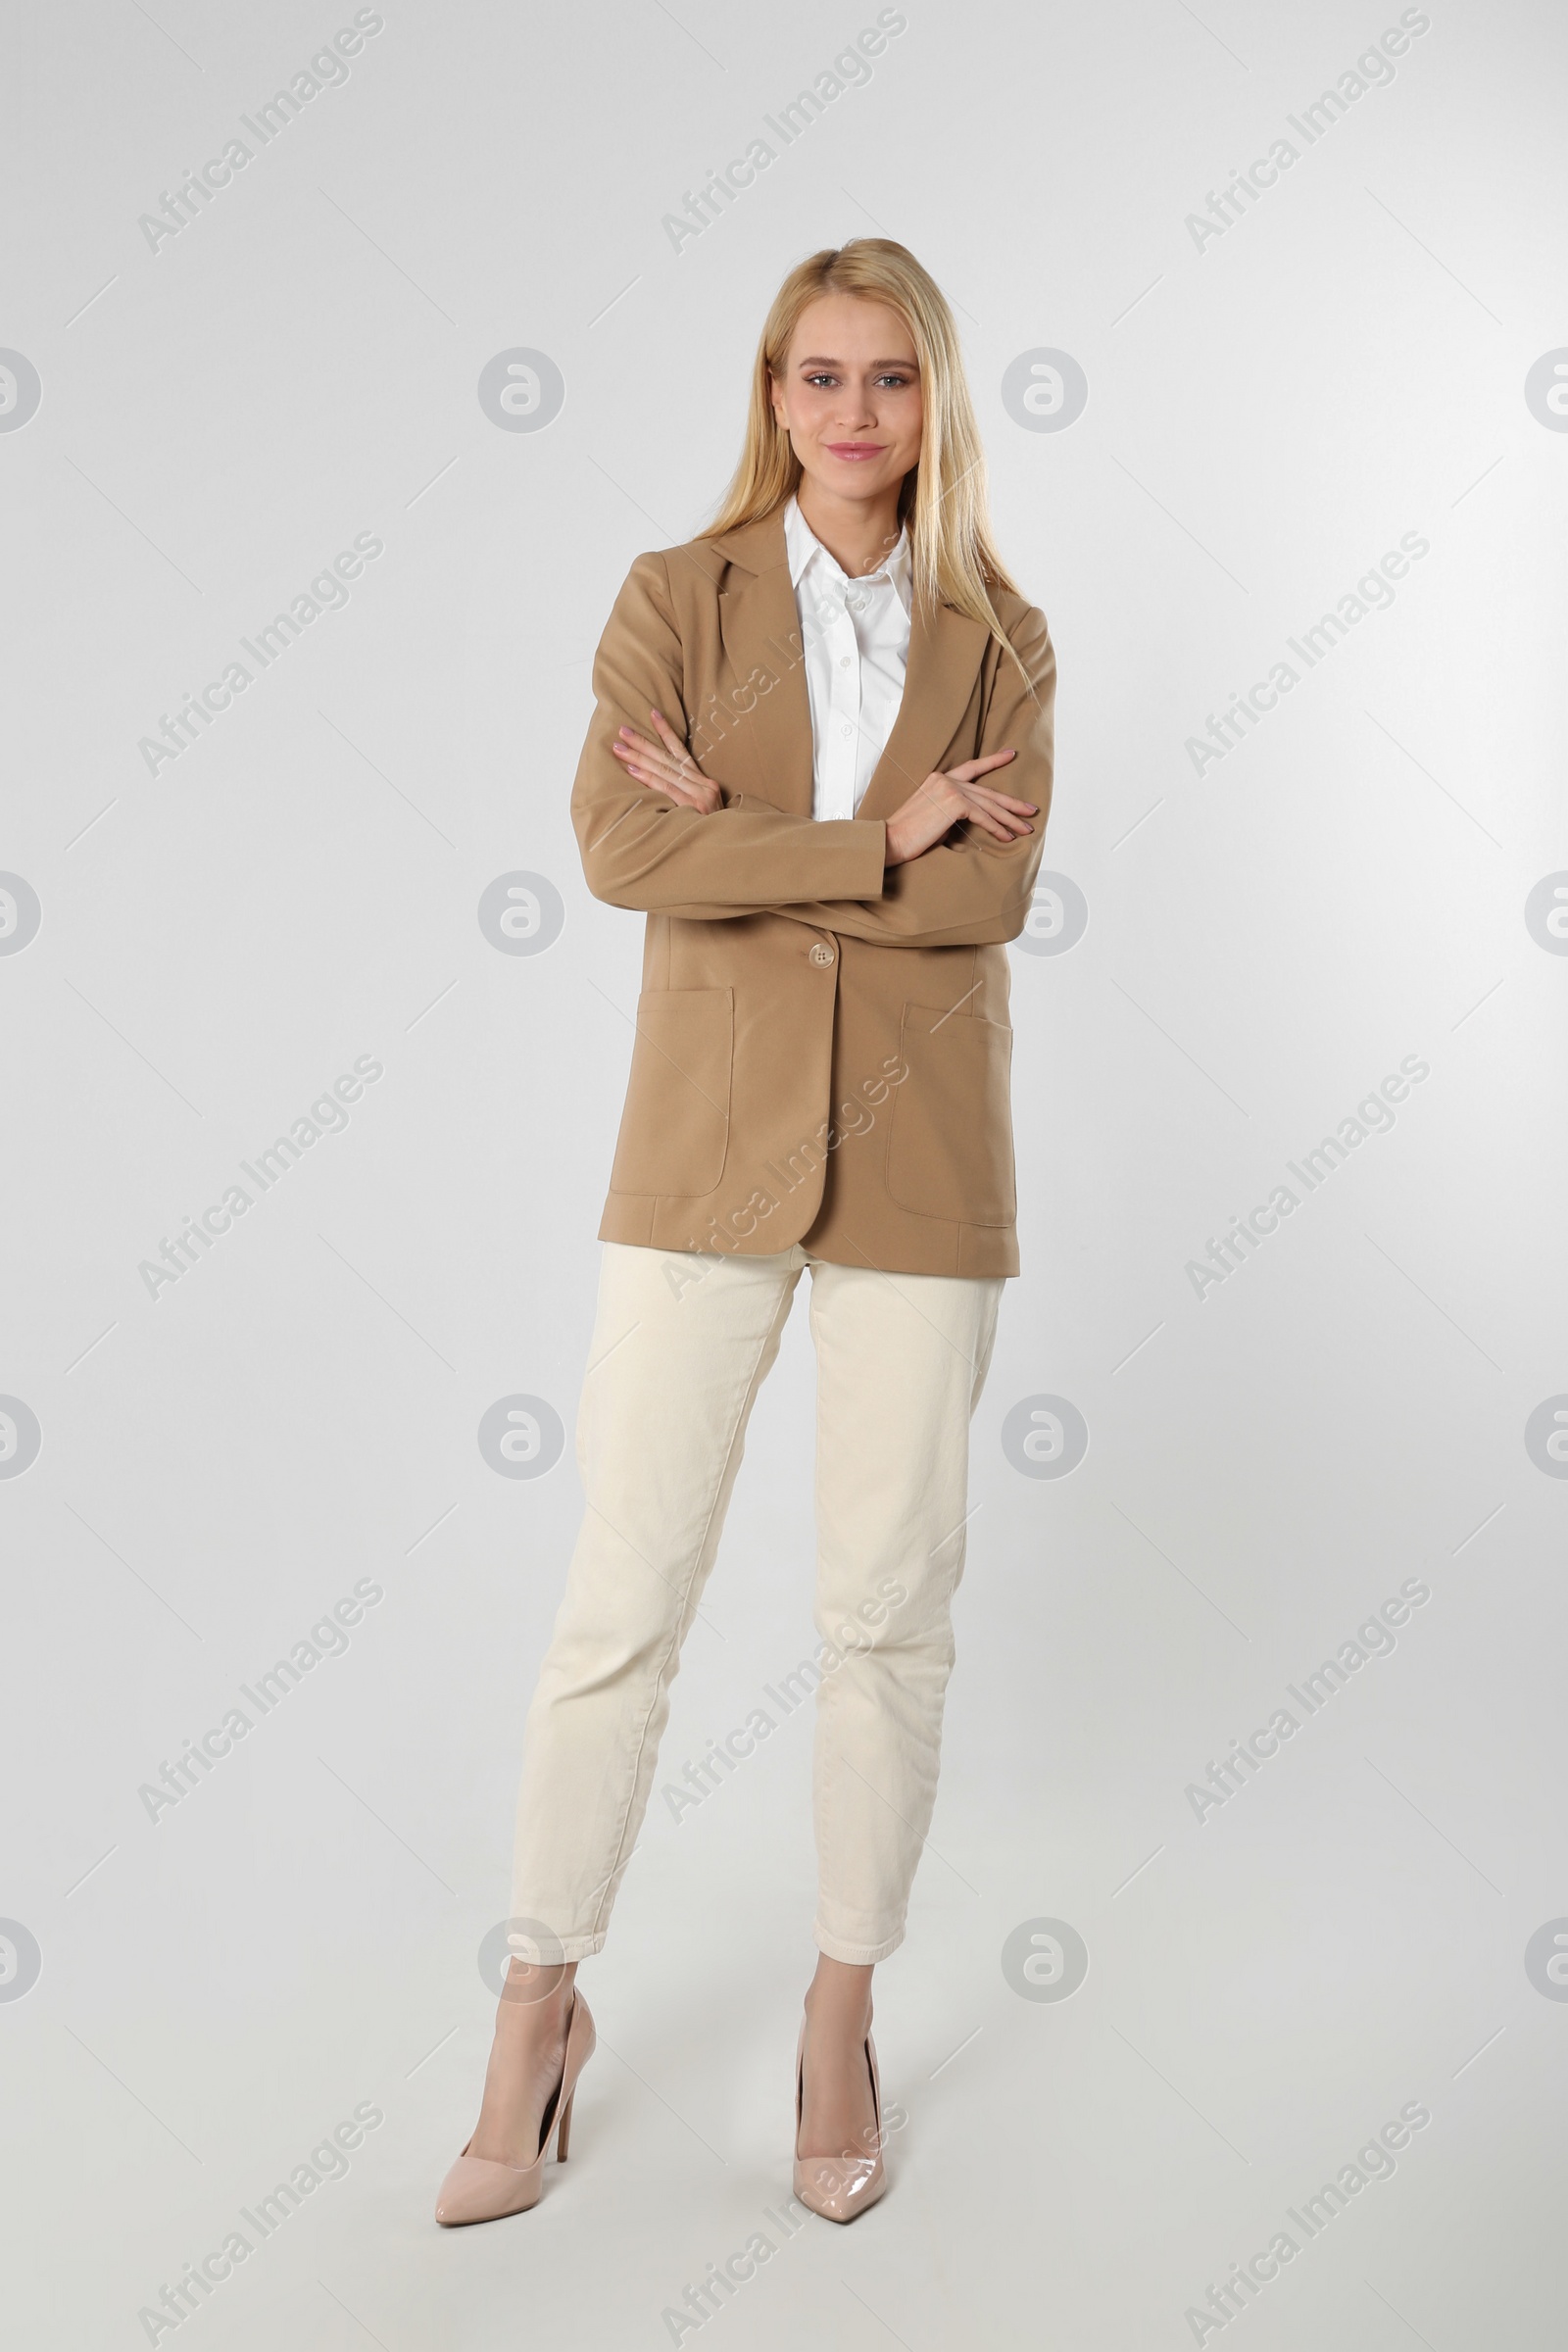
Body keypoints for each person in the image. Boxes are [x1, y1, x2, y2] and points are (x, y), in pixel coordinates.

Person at [436, 236, 1055, 2230]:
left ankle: (837, 2009)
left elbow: (986, 910)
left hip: (916, 1173)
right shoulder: (667, 599)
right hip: (698, 1158)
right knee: (623, 1592)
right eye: (816, 377)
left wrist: (748, 852)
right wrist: (870, 838)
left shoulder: (1001, 637)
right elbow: (619, 849)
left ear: (930, 400)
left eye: (886, 379)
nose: (851, 413)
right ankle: (537, 2012)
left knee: (883, 1609)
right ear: (769, 395)